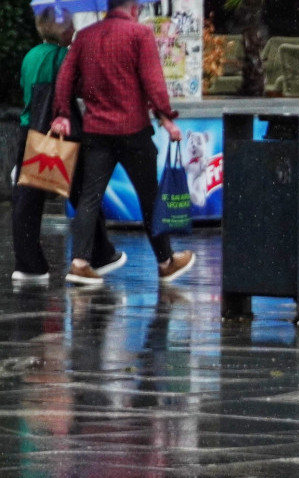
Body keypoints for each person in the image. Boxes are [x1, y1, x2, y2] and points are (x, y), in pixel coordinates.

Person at [50, 0, 195, 287]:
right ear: (132, 8)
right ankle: (166, 261)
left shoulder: (85, 36)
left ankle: (79, 263)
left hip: (96, 130)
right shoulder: (139, 35)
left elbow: (65, 78)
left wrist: (62, 114)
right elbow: (152, 82)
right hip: (133, 129)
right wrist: (166, 118)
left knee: (90, 197)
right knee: (149, 197)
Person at [10, 8, 124, 283]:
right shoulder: (65, 57)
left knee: (27, 200)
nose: (73, 27)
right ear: (61, 28)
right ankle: (100, 252)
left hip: (30, 131)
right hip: (62, 133)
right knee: (84, 192)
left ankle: (28, 264)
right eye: (70, 23)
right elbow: (87, 89)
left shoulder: (31, 56)